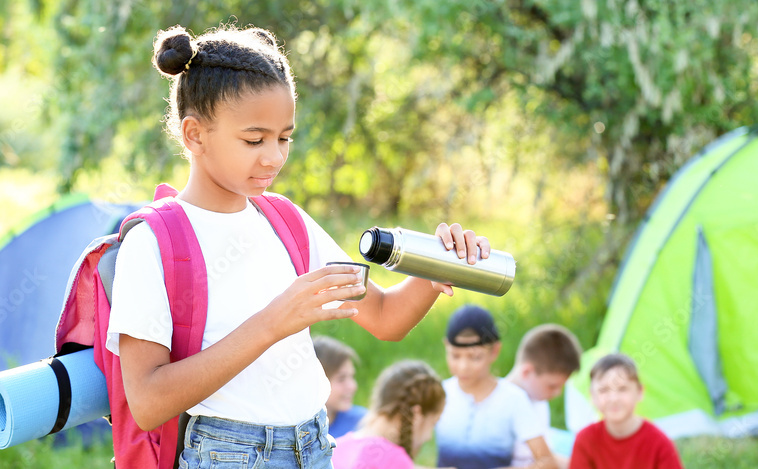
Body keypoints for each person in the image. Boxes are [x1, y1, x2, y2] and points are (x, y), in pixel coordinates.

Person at [106, 24, 495, 468]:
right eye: (254, 139)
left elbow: (385, 318)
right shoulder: (153, 241)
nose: (274, 156)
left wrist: (436, 269)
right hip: (228, 454)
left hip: (313, 445)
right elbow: (149, 402)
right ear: (195, 135)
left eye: (284, 137)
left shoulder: (284, 220)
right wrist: (274, 322)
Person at [434, 305, 556, 469]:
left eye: (475, 357)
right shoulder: (438, 394)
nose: (463, 367)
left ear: (494, 351)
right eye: (455, 355)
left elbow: (547, 462)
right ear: (445, 346)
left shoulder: (513, 399)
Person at [569, 354, 683, 469]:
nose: (613, 399)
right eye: (604, 390)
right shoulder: (585, 440)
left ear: (639, 391)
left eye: (622, 389)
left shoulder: (660, 444)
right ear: (592, 396)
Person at [332, 360, 446, 469]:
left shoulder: (335, 448)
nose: (429, 436)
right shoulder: (395, 460)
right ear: (417, 414)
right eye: (433, 423)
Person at [506, 324, 582, 469]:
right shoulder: (500, 403)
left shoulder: (538, 402)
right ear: (527, 371)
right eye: (552, 386)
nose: (558, 393)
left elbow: (546, 456)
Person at [313, 335, 368, 437]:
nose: (352, 386)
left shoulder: (362, 423)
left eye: (352, 377)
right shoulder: (292, 432)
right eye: (341, 379)